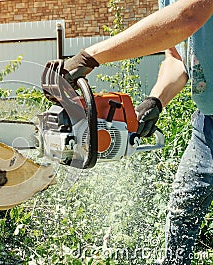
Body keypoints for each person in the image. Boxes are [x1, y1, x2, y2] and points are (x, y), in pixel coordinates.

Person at [57, 0, 213, 264]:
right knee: (182, 213)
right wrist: (156, 100)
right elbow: (177, 58)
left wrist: (90, 56)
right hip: (207, 127)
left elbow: (189, 17)